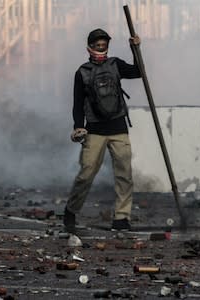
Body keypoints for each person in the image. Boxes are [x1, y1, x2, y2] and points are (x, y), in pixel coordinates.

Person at [64, 28, 141, 233]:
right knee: (86, 173)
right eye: (97, 44)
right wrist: (78, 126)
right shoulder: (82, 72)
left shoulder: (115, 64)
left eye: (104, 44)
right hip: (95, 130)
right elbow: (78, 103)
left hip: (119, 127)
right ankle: (71, 210)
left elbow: (138, 72)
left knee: (124, 174)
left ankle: (122, 218)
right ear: (90, 46)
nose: (101, 47)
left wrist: (135, 48)